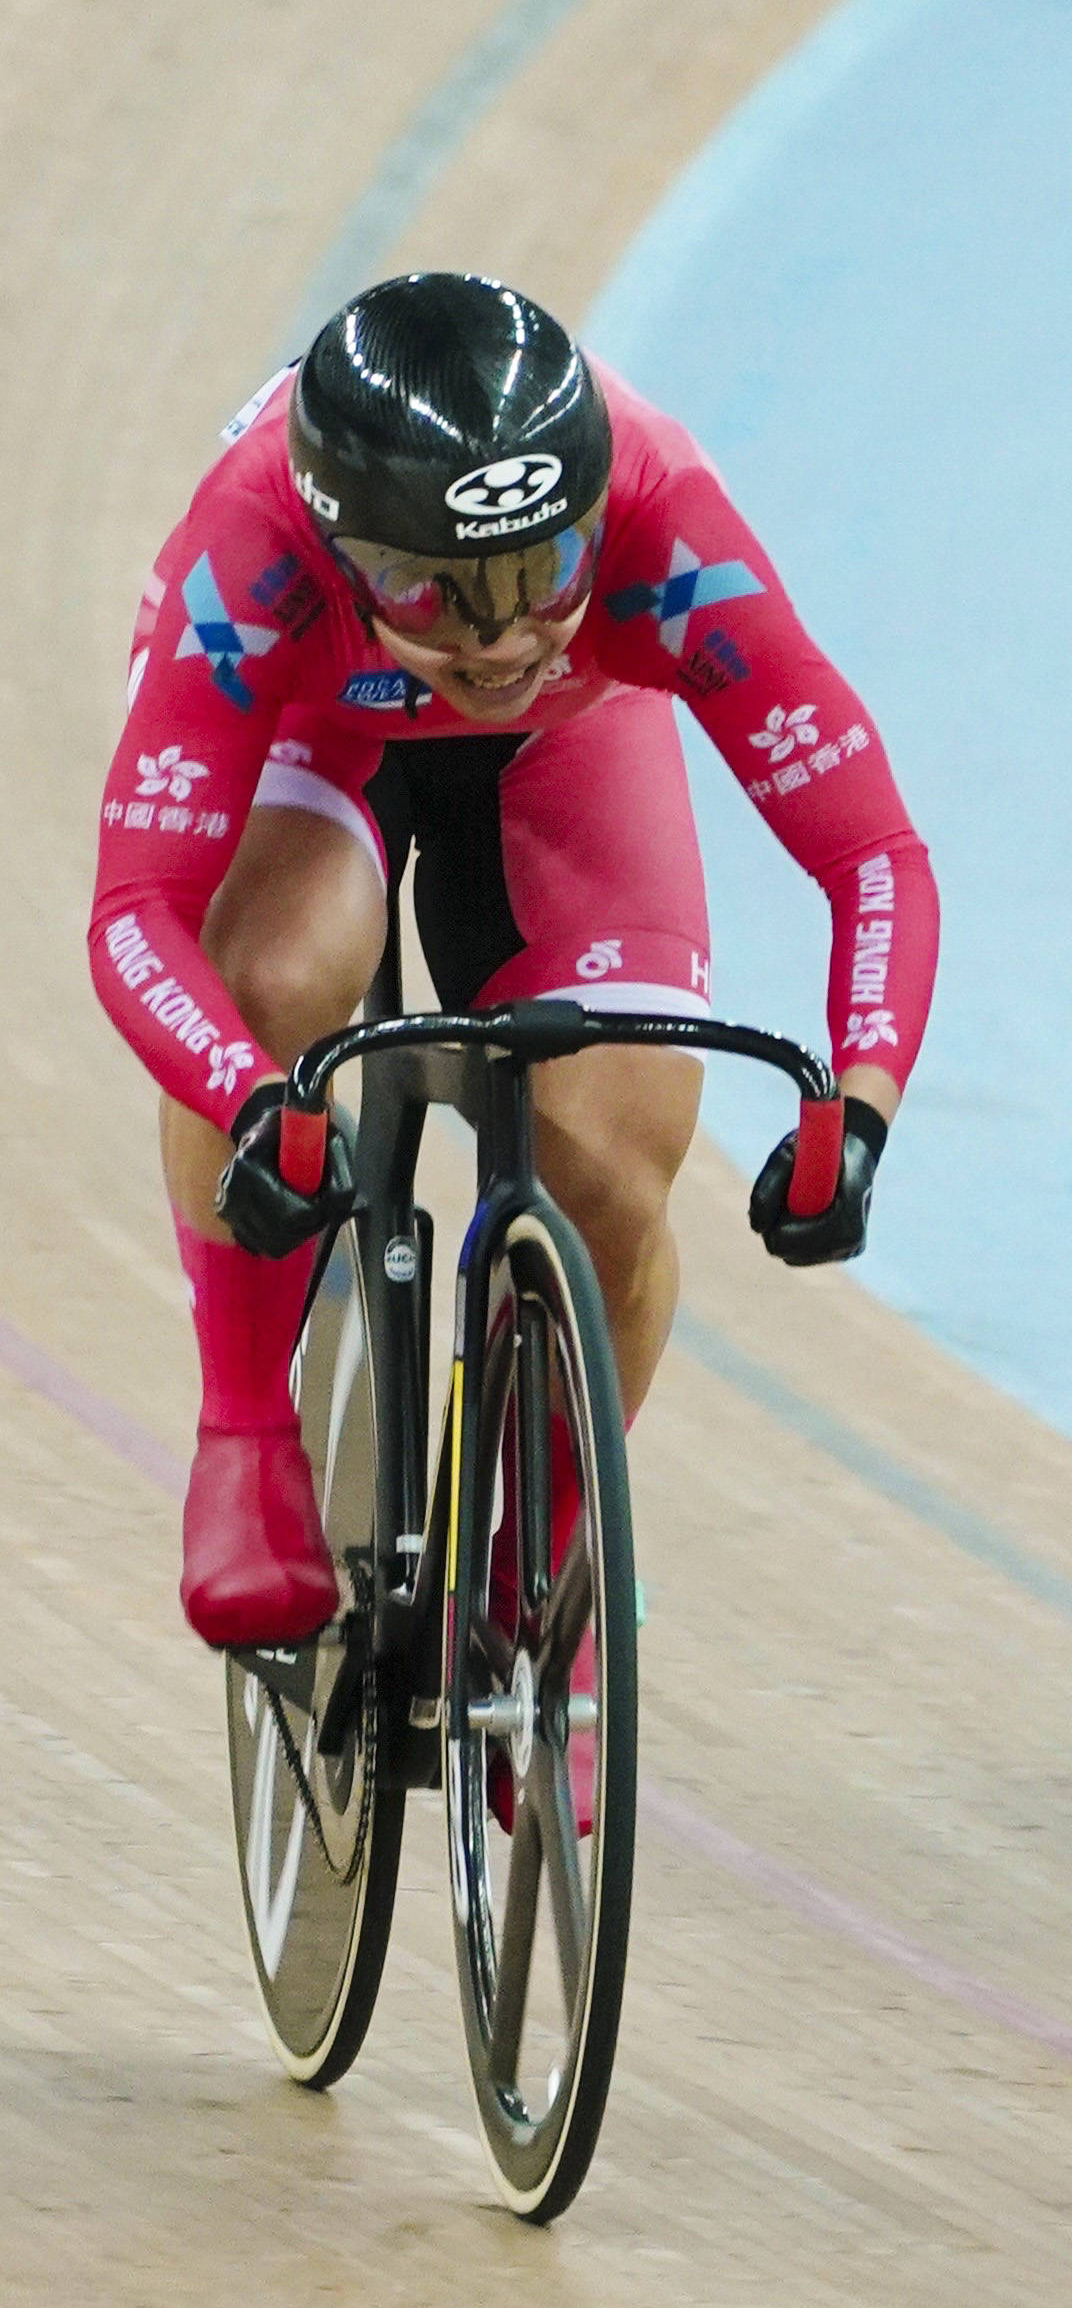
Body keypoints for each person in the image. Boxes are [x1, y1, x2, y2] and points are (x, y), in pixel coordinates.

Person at [91, 272, 938, 1649]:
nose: (495, 639)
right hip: (321, 734)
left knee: (613, 1166)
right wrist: (252, 1099)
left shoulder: (664, 523)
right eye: (433, 589)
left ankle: (544, 1584)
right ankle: (244, 1429)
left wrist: (864, 1102)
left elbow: (874, 854)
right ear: (338, 545)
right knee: (268, 975)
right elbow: (137, 912)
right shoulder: (247, 552)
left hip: (574, 741)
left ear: (594, 519)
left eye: (540, 575)